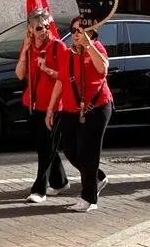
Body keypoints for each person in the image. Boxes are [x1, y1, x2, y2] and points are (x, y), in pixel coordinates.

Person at [45, 17, 111, 213]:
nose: (75, 34)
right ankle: (97, 177)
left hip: (96, 108)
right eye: (73, 31)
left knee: (88, 151)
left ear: (91, 32)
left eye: (80, 30)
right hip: (71, 109)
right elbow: (61, 81)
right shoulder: (68, 54)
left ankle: (89, 198)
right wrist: (51, 108)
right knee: (71, 150)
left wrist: (89, 46)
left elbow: (103, 68)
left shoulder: (97, 48)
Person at [15, 7, 69, 202]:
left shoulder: (58, 47)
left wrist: (46, 69)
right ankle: (60, 181)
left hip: (52, 106)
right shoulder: (28, 47)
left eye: (46, 27)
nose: (43, 31)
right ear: (30, 29)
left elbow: (64, 78)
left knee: (46, 147)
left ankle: (39, 189)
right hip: (32, 103)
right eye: (38, 28)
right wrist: (25, 53)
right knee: (44, 146)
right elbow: (20, 74)